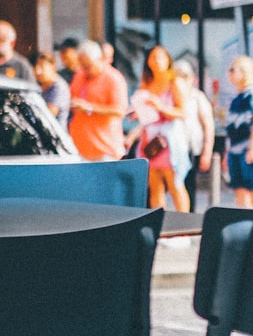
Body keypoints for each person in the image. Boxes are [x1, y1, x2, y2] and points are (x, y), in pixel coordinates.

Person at [130, 45, 192, 212]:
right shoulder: (146, 83)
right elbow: (146, 114)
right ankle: (160, 227)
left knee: (175, 184)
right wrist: (139, 113)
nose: (156, 61)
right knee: (155, 185)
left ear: (168, 61)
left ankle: (184, 229)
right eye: (153, 57)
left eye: (160, 57)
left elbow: (183, 112)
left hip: (168, 140)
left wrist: (161, 107)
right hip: (150, 138)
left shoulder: (175, 82)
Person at [223, 56, 253, 209]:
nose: (230, 74)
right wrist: (228, 152)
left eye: (233, 70)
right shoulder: (237, 98)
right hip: (236, 150)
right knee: (241, 191)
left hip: (251, 149)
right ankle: (247, 229)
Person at [68, 40, 128, 161]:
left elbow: (120, 110)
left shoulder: (113, 78)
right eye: (82, 66)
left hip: (105, 150)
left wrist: (90, 107)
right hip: (80, 149)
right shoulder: (79, 76)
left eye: (88, 66)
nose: (85, 70)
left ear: (100, 59)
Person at [173, 60, 215, 213]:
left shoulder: (197, 97)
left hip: (190, 148)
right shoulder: (169, 96)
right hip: (171, 148)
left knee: (188, 185)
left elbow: (208, 125)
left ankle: (187, 222)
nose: (181, 79)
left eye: (184, 75)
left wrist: (207, 151)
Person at [33, 52, 71, 126]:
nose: (38, 72)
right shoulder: (40, 85)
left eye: (42, 67)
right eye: (36, 68)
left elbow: (49, 116)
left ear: (52, 66)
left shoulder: (59, 87)